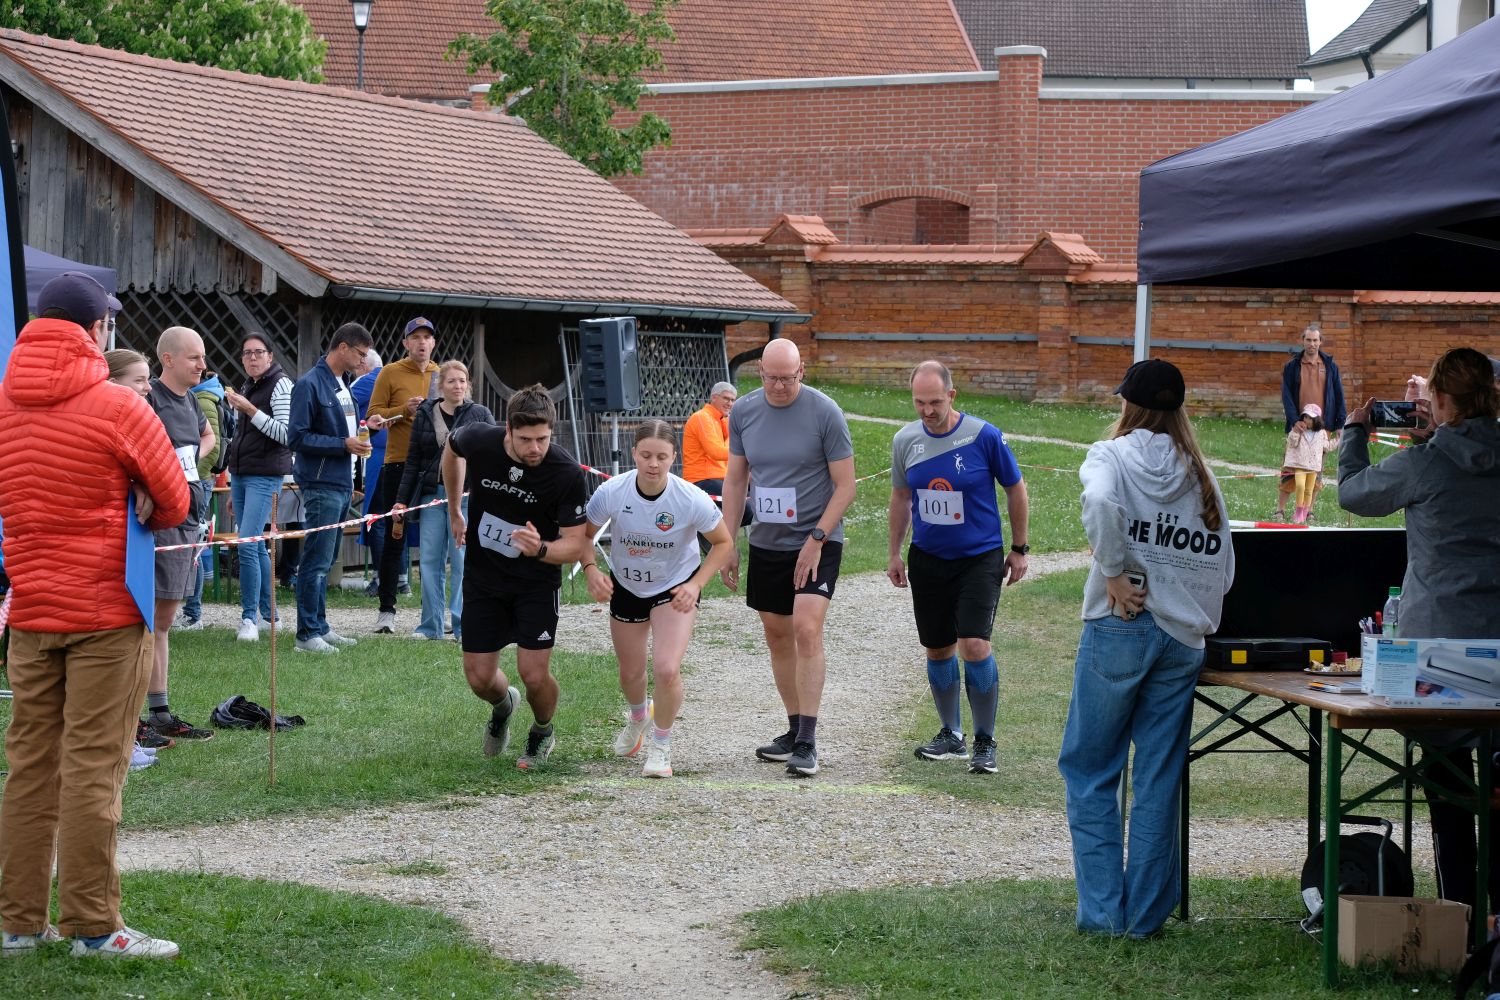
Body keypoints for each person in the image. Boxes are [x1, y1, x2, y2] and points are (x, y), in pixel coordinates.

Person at [0, 271, 189, 958]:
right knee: (93, 767)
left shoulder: (4, 401)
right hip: (106, 610)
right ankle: (92, 925)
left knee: (28, 766)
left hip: (31, 610)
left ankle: (18, 922)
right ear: (96, 330)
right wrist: (139, 491)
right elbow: (175, 500)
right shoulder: (116, 404)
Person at [1058, 358, 1234, 939]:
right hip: (1182, 638)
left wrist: (1113, 570)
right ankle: (1144, 917)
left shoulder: (1110, 456)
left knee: (1091, 767)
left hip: (1121, 623)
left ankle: (1104, 913)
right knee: (1158, 776)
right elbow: (1226, 567)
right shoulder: (1200, 472)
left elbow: (1100, 504)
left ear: (1127, 405)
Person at [1337, 346, 1500, 917]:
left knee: (1448, 790)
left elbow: (1354, 493)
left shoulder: (1427, 461)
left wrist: (1355, 434)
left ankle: (1460, 914)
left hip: (1439, 649)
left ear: (1441, 399)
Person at [719, 339, 855, 778]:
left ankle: (809, 742)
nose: (779, 386)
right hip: (768, 542)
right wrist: (728, 541)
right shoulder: (744, 412)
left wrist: (817, 537)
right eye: (771, 378)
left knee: (806, 628)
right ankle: (795, 730)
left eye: (788, 378)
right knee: (777, 634)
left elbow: (846, 486)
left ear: (802, 372)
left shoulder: (825, 413)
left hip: (817, 538)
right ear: (760, 373)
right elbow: (735, 480)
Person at [887, 361, 1030, 775]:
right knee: (938, 648)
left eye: (934, 402)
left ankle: (985, 740)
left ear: (951, 395)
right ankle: (951, 734)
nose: (927, 411)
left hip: (979, 557)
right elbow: (901, 498)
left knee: (974, 645)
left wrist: (1019, 548)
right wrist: (894, 553)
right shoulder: (905, 440)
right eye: (919, 402)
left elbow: (1015, 488)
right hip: (928, 557)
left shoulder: (984, 436)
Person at [443, 384, 589, 770]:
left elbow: (575, 545)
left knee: (533, 675)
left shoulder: (566, 473)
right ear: (508, 429)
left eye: (542, 439)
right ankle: (504, 705)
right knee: (479, 678)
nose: (535, 448)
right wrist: (455, 509)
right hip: (483, 578)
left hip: (535, 584)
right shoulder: (480, 439)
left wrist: (539, 549)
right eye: (525, 440)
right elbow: (451, 450)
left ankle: (542, 731)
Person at [582, 420, 735, 778]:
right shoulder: (612, 492)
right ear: (634, 453)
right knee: (630, 672)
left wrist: (696, 584)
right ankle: (639, 716)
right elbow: (584, 536)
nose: (653, 464)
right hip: (627, 586)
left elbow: (724, 542)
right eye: (646, 455)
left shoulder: (690, 498)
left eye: (662, 457)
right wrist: (590, 570)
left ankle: (661, 745)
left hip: (675, 587)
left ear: (674, 457)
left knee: (666, 668)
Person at [141, 326, 217, 742]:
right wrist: (163, 467)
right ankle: (148, 713)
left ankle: (159, 711)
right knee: (152, 618)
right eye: (194, 357)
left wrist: (187, 460)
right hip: (162, 519)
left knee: (165, 618)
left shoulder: (190, 399)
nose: (202, 365)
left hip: (189, 513)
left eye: (202, 356)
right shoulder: (149, 397)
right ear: (167, 359)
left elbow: (209, 436)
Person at [287, 322, 380, 654]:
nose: (363, 361)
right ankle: (306, 634)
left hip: (341, 483)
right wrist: (343, 444)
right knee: (315, 561)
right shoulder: (309, 385)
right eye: (360, 354)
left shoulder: (343, 385)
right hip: (320, 483)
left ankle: (321, 627)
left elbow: (347, 432)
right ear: (343, 347)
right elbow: (296, 437)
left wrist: (368, 428)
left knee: (325, 562)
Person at [393, 360, 494, 641]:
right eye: (451, 381)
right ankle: (430, 626)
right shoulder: (425, 414)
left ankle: (464, 625)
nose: (457, 386)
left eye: (462, 380)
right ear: (441, 386)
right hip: (432, 497)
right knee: (429, 561)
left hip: (468, 498)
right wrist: (401, 501)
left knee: (463, 561)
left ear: (468, 385)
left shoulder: (481, 414)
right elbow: (413, 460)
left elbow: (494, 456)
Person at [367, 317, 439, 633]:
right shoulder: (390, 372)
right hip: (398, 463)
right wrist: (404, 411)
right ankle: (386, 611)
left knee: (436, 542)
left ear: (433, 343)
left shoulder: (440, 374)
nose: (422, 342)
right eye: (416, 337)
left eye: (427, 337)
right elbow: (373, 418)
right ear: (406, 343)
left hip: (433, 467)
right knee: (394, 537)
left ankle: (435, 614)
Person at [224, 333, 295, 642]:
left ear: (270, 356)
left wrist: (250, 410)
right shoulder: (248, 386)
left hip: (265, 474)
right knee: (255, 545)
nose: (252, 358)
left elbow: (286, 434)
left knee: (247, 543)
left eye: (258, 352)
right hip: (242, 474)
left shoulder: (281, 385)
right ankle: (269, 616)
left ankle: (249, 618)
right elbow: (240, 438)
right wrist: (232, 484)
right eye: (247, 353)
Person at [1275, 322, 1346, 520]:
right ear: (1303, 341)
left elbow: (1339, 395)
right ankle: (1280, 509)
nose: (1312, 344)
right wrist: (1294, 420)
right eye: (1308, 340)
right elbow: (1286, 396)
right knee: (1290, 468)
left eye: (1315, 340)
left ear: (1320, 342)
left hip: (1322, 427)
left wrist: (1340, 424)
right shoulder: (1292, 366)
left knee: (1316, 470)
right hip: (1299, 426)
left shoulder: (1330, 367)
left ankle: (1308, 510)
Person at [175, 370, 226, 630]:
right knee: (193, 544)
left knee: (192, 546)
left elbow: (212, 447)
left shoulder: (202, 399)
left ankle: (193, 613)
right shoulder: (202, 396)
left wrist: (190, 473)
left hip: (196, 482)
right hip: (198, 481)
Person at [1281, 402, 1331, 525]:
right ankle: (1298, 511)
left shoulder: (1322, 433)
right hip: (1300, 465)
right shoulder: (1299, 430)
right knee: (1300, 486)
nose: (1306, 420)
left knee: (1309, 490)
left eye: (1310, 418)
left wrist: (1340, 440)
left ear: (1316, 420)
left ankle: (1304, 512)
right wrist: (1294, 431)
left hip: (1313, 467)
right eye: (1305, 417)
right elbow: (1292, 443)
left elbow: (1327, 447)